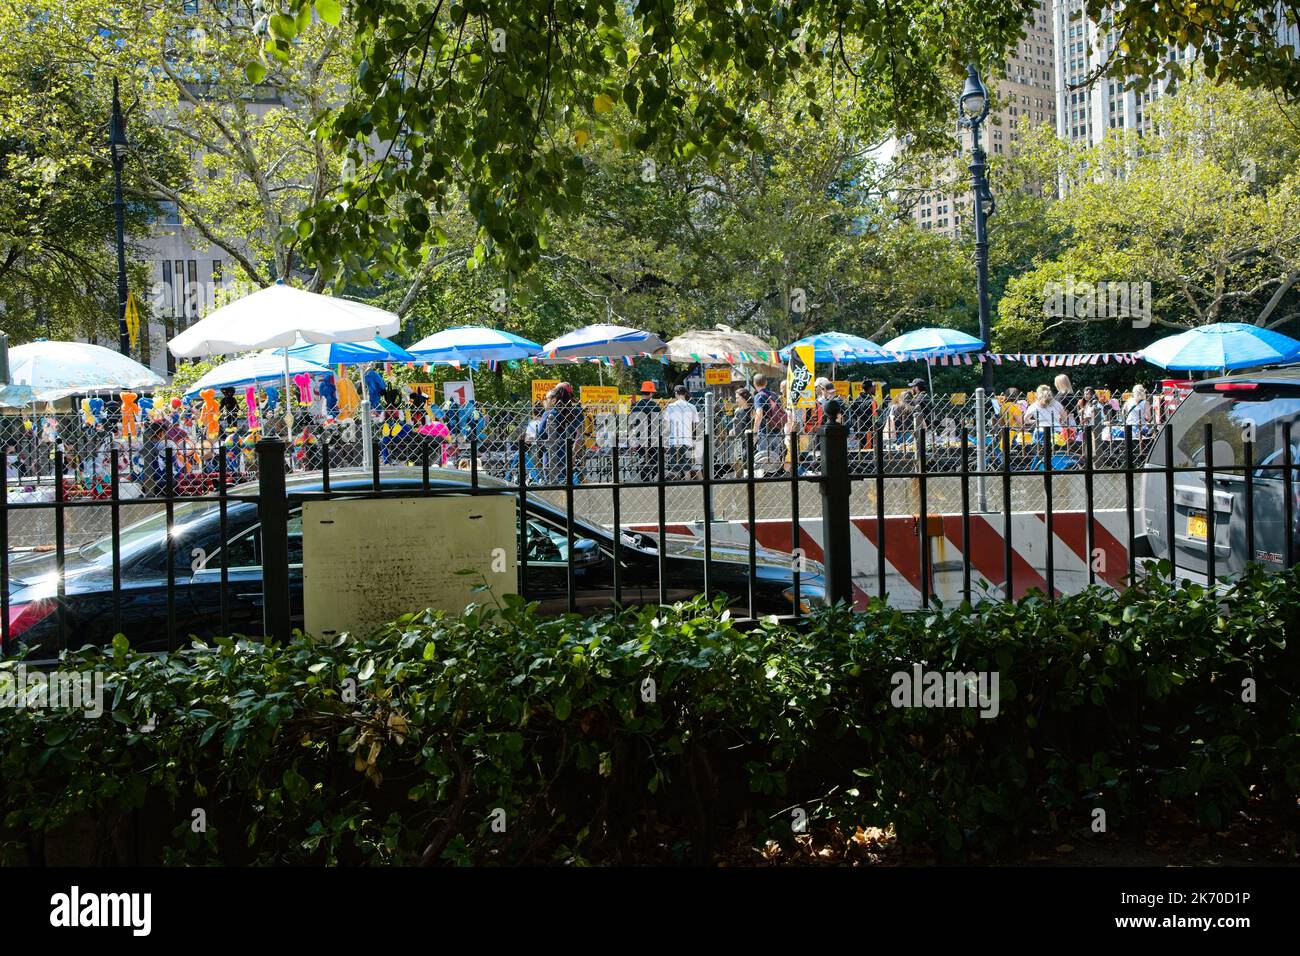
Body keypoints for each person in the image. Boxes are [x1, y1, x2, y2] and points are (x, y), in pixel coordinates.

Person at [539, 383, 583, 484]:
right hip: (567, 453)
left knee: (552, 485)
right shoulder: (576, 411)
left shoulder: (550, 413)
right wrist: (573, 453)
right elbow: (580, 435)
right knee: (567, 485)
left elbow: (540, 434)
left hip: (550, 454)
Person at [661, 384, 701, 479]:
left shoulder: (671, 407)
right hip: (687, 440)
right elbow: (695, 424)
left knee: (675, 465)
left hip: (674, 440)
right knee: (687, 465)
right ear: (685, 393)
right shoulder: (692, 407)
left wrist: (664, 438)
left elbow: (666, 424)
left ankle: (677, 485)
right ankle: (688, 483)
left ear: (676, 394)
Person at [627, 380, 661, 481]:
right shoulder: (655, 406)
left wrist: (631, 438)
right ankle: (654, 478)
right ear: (650, 393)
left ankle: (644, 480)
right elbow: (659, 423)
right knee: (655, 459)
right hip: (653, 437)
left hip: (640, 437)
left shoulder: (635, 406)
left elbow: (631, 424)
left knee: (642, 459)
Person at [750, 373, 786, 467]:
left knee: (763, 458)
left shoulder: (759, 396)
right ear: (766, 383)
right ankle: (776, 475)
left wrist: (755, 431)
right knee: (775, 458)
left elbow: (759, 413)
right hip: (777, 429)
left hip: (764, 431)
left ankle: (765, 476)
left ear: (754, 384)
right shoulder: (774, 395)